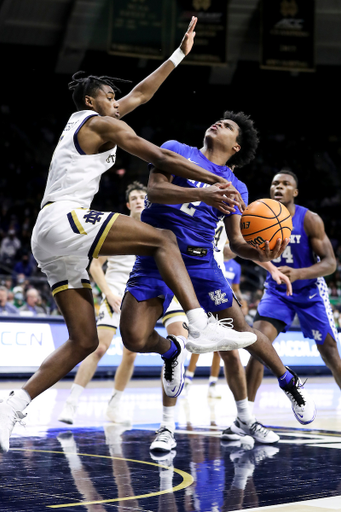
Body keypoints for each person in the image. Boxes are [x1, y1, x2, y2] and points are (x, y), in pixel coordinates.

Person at [0, 19, 254, 453]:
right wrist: (210, 184)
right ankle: (198, 326)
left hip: (49, 241)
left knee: (83, 340)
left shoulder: (96, 120)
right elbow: (156, 155)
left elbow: (140, 94)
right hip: (66, 219)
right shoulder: (101, 124)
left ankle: (14, 403)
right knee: (162, 239)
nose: (118, 101)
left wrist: (178, 55)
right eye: (110, 97)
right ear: (91, 100)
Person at [121, 111, 316, 450]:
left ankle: (289, 382)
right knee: (133, 338)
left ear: (236, 146)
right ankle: (171, 352)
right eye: (218, 121)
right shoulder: (176, 149)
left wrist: (266, 252)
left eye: (227, 126)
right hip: (155, 254)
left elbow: (238, 242)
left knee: (241, 335)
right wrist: (203, 194)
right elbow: (155, 190)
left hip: (200, 263)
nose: (217, 124)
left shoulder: (237, 187)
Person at [245, 169, 340, 412]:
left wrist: (300, 273)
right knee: (257, 345)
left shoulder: (309, 219)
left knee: (330, 354)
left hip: (310, 293)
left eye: (285, 184)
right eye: (275, 183)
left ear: (295, 192)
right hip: (277, 293)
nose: (279, 187)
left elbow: (330, 263)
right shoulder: (259, 215)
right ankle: (244, 417)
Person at [58, 181, 147, 425]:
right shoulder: (119, 228)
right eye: (135, 197)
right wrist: (107, 292)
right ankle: (72, 403)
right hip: (115, 293)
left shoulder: (153, 232)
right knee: (98, 347)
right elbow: (95, 265)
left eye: (143, 197)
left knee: (131, 353)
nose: (139, 200)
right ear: (128, 204)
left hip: (138, 297)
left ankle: (114, 406)